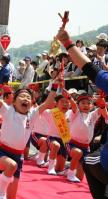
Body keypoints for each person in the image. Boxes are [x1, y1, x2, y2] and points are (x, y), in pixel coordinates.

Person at [0, 70, 58, 199]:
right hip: (3, 153)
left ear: (31, 103)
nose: (26, 99)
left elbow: (48, 102)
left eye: (28, 98)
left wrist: (55, 85)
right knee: (11, 166)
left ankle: (2, 190)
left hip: (18, 156)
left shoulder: (33, 114)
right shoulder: (8, 111)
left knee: (12, 196)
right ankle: (0, 194)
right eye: (22, 96)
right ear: (14, 101)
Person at [56, 27, 108, 199]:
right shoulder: (77, 111)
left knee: (87, 161)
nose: (86, 104)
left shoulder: (92, 113)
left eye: (88, 102)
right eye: (83, 102)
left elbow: (89, 68)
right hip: (76, 145)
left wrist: (67, 43)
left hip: (96, 157)